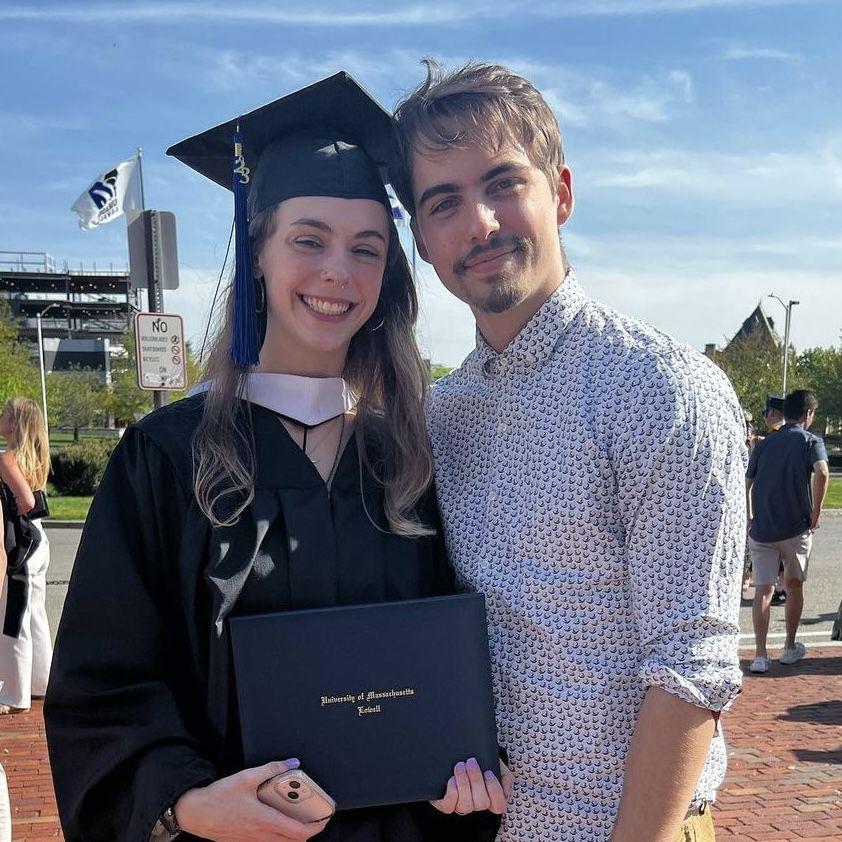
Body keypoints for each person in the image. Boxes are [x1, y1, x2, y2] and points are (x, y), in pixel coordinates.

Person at [44, 74, 508, 842]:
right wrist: (186, 802)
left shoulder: (407, 460)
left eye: (367, 249)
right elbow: (105, 687)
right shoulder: (167, 459)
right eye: (308, 240)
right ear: (258, 250)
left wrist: (462, 771)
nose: (338, 273)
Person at [392, 61, 746, 842]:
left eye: (503, 184)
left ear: (560, 193)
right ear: (420, 240)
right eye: (444, 203)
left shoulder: (658, 389)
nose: (480, 223)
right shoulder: (443, 415)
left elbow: (692, 663)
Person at [746, 389, 830, 673]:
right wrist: (816, 511)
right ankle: (789, 646)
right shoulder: (811, 441)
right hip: (796, 526)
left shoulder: (765, 443)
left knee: (763, 589)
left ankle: (760, 654)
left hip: (763, 527)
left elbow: (748, 481)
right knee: (794, 585)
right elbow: (822, 472)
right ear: (808, 414)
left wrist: (749, 516)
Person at [0, 397, 52, 716]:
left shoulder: (8, 459)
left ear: (15, 423)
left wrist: (14, 512)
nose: (0, 417)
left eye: (4, 413)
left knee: (14, 616)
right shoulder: (34, 457)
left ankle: (14, 694)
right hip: (38, 540)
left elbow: (28, 502)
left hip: (22, 543)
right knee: (33, 614)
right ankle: (41, 683)